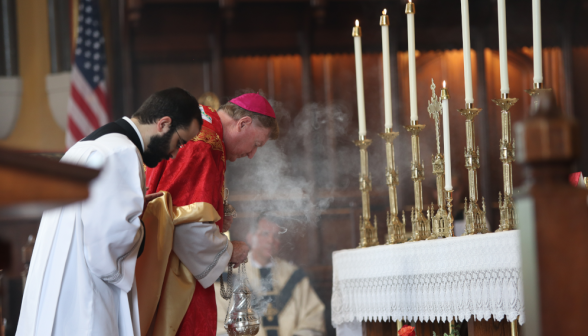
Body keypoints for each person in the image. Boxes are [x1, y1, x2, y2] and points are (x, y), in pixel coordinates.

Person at [16, 87, 203, 336]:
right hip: (84, 300)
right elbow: (110, 245)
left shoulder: (86, 146)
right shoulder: (122, 153)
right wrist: (151, 224)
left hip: (56, 289)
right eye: (179, 142)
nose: (175, 154)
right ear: (164, 124)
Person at [136, 93, 279, 336]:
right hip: (172, 276)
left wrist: (216, 218)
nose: (252, 155)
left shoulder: (202, 125)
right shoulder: (205, 144)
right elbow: (185, 227)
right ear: (242, 123)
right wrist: (230, 250)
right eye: (256, 144)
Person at [215, 213, 325, 336]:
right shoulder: (228, 276)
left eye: (276, 236)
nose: (271, 240)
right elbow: (219, 323)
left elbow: (312, 317)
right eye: (265, 234)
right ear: (250, 238)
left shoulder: (294, 276)